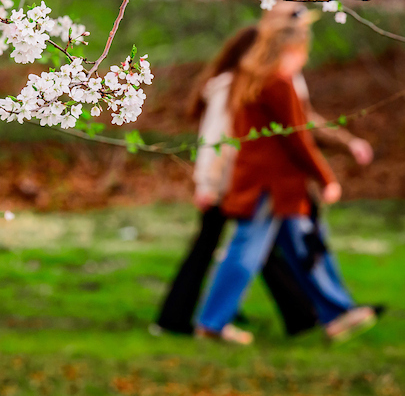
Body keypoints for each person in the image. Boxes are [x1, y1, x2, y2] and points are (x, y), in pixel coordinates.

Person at [154, 23, 373, 337]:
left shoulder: (251, 82)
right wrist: (326, 178)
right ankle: (212, 323)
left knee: (300, 247)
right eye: (302, 55)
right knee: (247, 250)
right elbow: (297, 138)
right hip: (271, 185)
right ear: (291, 52)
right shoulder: (277, 84)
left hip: (263, 181)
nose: (303, 63)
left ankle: (335, 314)